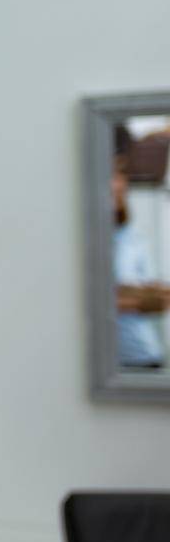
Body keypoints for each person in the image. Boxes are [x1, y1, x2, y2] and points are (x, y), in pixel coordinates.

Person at [113, 127, 169, 370]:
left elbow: (156, 297)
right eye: (114, 175)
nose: (119, 184)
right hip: (112, 360)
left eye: (121, 176)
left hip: (144, 356)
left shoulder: (131, 237)